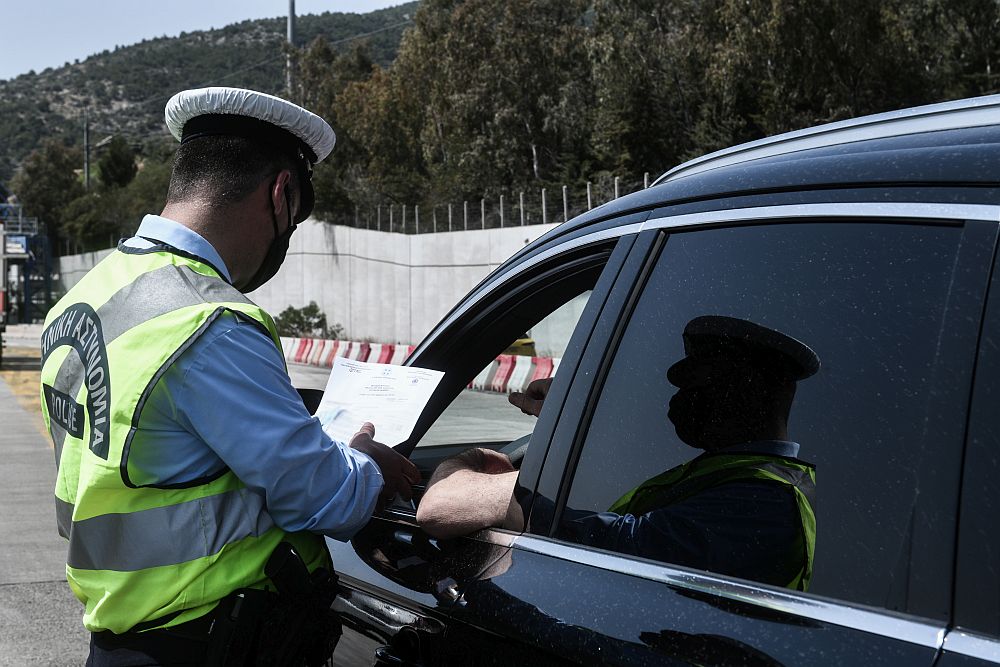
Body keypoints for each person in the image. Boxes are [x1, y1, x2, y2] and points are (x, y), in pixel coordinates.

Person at [39, 87, 419, 665]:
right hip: (213, 641)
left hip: (123, 637)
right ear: (282, 193)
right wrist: (364, 459)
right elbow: (325, 498)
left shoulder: (84, 299)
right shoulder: (208, 322)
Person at [417, 315, 819, 591]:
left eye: (699, 386)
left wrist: (472, 470)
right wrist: (573, 414)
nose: (682, 400)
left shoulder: (763, 502)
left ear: (749, 392)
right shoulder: (724, 471)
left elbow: (608, 543)